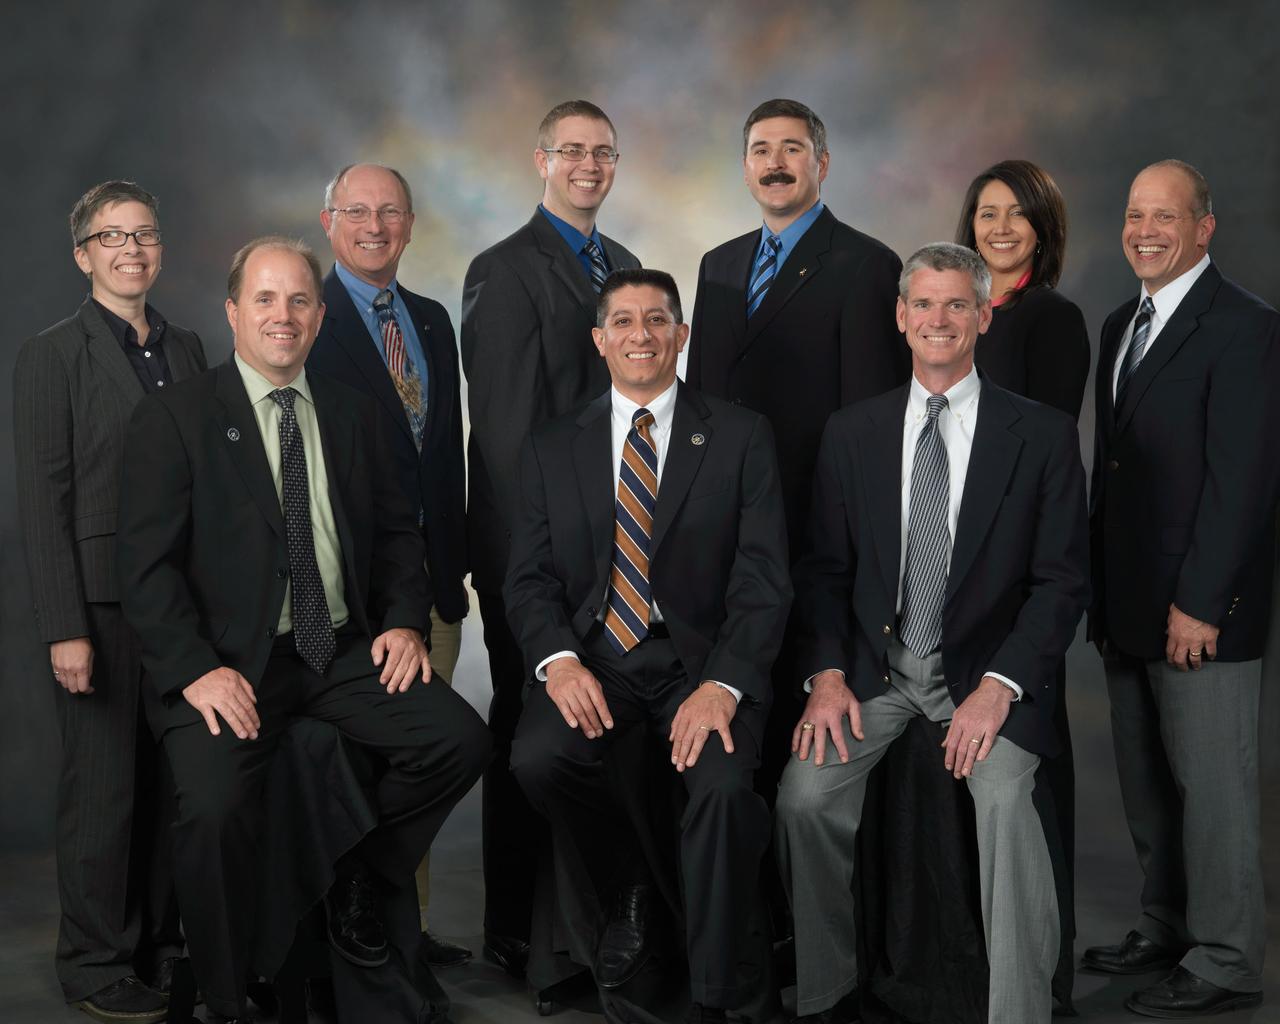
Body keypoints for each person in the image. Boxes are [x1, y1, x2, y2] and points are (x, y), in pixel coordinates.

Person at [115, 236, 490, 1024]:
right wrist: (195, 671)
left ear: (320, 317)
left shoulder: (355, 414)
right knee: (214, 810)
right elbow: (145, 572)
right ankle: (225, 993)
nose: (281, 317)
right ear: (233, 312)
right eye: (264, 299)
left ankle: (356, 875)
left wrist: (401, 623)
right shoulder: (175, 418)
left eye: (297, 301)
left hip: (339, 650)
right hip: (229, 662)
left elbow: (398, 533)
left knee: (458, 740)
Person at [776, 242, 1090, 1024]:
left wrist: (999, 688)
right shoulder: (853, 433)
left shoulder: (1041, 435)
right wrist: (826, 674)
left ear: (984, 315)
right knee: (803, 799)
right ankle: (826, 990)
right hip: (878, 673)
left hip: (986, 675)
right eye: (923, 304)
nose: (938, 320)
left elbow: (1060, 584)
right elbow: (822, 571)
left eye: (957, 304)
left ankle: (1019, 1011)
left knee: (1007, 804)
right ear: (900, 316)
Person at [505, 269, 791, 1023]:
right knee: (537, 759)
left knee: (727, 791)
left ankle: (715, 990)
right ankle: (632, 885)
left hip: (697, 664)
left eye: (658, 320)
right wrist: (559, 660)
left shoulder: (739, 434)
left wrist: (723, 685)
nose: (641, 335)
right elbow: (527, 581)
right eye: (624, 322)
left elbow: (764, 583)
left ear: (681, 335)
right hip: (596, 661)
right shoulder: (550, 445)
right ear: (599, 341)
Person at [1083, 159, 1280, 1018]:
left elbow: (1243, 483)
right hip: (1126, 603)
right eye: (1134, 214)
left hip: (1200, 610)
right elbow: (1116, 471)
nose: (1145, 230)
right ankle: (1166, 926)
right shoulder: (1121, 322)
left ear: (1205, 226)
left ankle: (1229, 958)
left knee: (1213, 792)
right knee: (1148, 786)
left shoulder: (1245, 328)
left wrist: (1202, 601)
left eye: (1166, 215)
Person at [13, 180, 206, 1023]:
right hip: (100, 608)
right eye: (112, 236)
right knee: (105, 793)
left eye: (145, 235)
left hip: (185, 607)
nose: (132, 250)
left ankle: (162, 947)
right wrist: (65, 628)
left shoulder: (191, 348)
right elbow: (43, 503)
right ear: (83, 253)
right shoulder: (52, 356)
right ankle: (95, 963)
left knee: (172, 788)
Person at [462, 99, 640, 975]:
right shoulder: (504, 270)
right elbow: (502, 441)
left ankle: (592, 927)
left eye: (602, 152)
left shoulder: (628, 268)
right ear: (540, 161)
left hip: (620, 551)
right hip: (531, 557)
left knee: (596, 731)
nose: (587, 164)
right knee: (528, 730)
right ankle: (519, 935)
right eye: (571, 151)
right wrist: (545, 565)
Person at [686, 97, 909, 794]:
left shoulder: (867, 265)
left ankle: (797, 899)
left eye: (791, 149)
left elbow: (870, 427)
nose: (775, 164)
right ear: (745, 167)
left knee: (802, 721)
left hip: (815, 531)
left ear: (822, 162)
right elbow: (698, 409)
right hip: (728, 534)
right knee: (728, 722)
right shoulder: (718, 266)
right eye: (760, 150)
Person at [306, 162, 470, 968]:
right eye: (358, 211)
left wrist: (457, 569)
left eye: (391, 211)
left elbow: (445, 456)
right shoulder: (307, 317)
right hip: (354, 599)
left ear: (410, 223)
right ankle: (353, 934)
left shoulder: (434, 320)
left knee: (429, 762)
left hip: (435, 584)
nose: (376, 225)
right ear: (329, 219)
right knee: (366, 763)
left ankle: (408, 931)